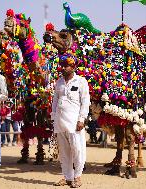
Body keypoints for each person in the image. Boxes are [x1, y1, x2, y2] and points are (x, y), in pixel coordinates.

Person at [51, 53, 90, 188]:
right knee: (64, 152)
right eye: (62, 66)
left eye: (66, 66)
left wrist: (81, 119)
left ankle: (77, 176)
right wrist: (53, 117)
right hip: (60, 122)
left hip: (74, 123)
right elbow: (55, 101)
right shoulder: (59, 82)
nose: (63, 68)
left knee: (77, 150)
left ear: (73, 67)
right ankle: (68, 177)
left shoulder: (81, 81)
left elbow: (85, 102)